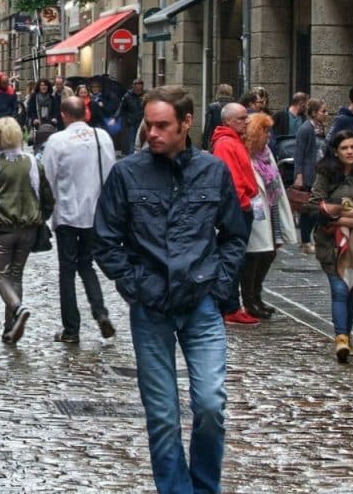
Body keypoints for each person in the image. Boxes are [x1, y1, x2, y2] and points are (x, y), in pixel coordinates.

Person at [93, 86, 246, 494]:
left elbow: (234, 235)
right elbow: (105, 240)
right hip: (152, 305)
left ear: (186, 123)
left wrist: (220, 287)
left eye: (163, 126)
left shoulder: (212, 171)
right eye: (149, 125)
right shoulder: (127, 173)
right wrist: (136, 286)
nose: (153, 133)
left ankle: (204, 487)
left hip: (201, 303)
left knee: (211, 405)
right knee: (162, 414)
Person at [0, 117, 55, 344]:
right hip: (28, 229)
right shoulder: (33, 163)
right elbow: (47, 197)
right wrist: (41, 217)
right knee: (16, 275)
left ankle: (17, 308)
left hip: (1, 228)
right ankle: (11, 328)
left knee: (0, 275)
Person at [303, 130, 353, 363]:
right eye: (344, 148)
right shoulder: (326, 173)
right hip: (332, 242)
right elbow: (313, 207)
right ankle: (340, 337)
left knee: (351, 291)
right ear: (336, 152)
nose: (350, 152)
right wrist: (338, 217)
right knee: (340, 289)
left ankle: (347, 335)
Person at [42, 96, 116, 344]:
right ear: (85, 113)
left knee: (67, 271)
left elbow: (48, 179)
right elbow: (110, 172)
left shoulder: (57, 141)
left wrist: (45, 210)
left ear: (64, 114)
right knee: (87, 265)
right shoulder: (101, 137)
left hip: (67, 213)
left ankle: (71, 329)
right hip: (94, 213)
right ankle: (100, 312)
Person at [242, 113, 297, 320]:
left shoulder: (266, 153)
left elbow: (275, 180)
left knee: (270, 252)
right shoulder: (247, 155)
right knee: (254, 255)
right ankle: (250, 300)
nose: (268, 136)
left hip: (271, 207)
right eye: (265, 131)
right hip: (256, 211)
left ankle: (257, 294)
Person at [210, 103, 261, 326]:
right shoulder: (225, 144)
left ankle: (230, 304)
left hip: (241, 205)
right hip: (237, 209)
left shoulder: (232, 141)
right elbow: (231, 180)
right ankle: (229, 306)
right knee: (233, 258)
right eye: (241, 118)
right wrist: (243, 202)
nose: (247, 121)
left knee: (236, 257)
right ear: (229, 121)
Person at [293, 99, 329, 254]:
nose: (326, 114)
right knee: (307, 208)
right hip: (309, 174)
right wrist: (299, 175)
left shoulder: (321, 129)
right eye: (323, 111)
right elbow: (299, 153)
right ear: (314, 113)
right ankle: (305, 240)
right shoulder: (305, 129)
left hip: (320, 173)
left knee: (316, 208)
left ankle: (310, 238)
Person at [117, 79, 145, 156]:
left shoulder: (145, 95)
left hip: (142, 122)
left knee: (141, 141)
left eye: (140, 88)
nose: (138, 90)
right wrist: (115, 117)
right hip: (132, 122)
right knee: (132, 141)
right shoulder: (127, 96)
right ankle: (131, 157)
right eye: (137, 88)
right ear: (133, 87)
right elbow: (121, 107)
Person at [202, 83, 234, 148]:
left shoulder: (212, 107)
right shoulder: (235, 107)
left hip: (216, 138)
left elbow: (207, 127)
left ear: (218, 92)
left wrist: (204, 145)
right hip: (231, 139)